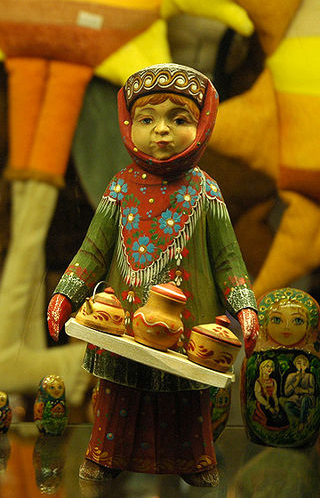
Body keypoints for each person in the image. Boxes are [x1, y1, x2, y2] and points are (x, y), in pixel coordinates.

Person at [46, 63, 259, 487]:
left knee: (186, 396)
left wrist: (245, 309)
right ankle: (106, 455)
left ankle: (194, 460)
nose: (161, 130)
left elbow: (228, 261)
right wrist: (64, 296)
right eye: (147, 119)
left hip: (188, 326)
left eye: (178, 119)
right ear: (129, 126)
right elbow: (92, 251)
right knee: (118, 391)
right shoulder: (120, 188)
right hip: (121, 322)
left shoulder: (206, 191)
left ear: (202, 126)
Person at [282, 354, 315, 429]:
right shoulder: (291, 376)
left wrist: (303, 390)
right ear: (295, 364)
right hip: (295, 399)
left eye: (304, 364)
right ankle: (306, 415)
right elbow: (286, 393)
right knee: (287, 407)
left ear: (307, 366)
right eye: (299, 363)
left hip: (308, 398)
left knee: (304, 400)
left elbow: (312, 391)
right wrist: (295, 382)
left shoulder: (309, 376)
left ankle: (302, 422)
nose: (301, 366)